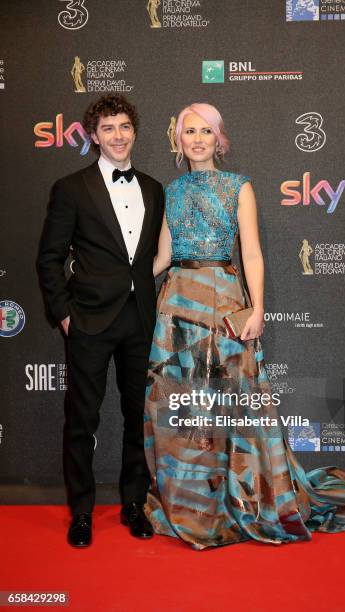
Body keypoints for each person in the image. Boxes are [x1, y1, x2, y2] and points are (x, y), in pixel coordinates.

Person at [144, 102, 345, 550]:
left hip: (224, 300)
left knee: (233, 405)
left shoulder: (240, 187)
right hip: (177, 308)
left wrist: (257, 309)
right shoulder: (170, 192)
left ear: (220, 138)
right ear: (177, 139)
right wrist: (113, 276)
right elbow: (160, 258)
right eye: (189, 132)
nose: (197, 139)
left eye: (206, 132)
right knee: (183, 408)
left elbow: (251, 254)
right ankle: (191, 500)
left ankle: (237, 499)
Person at [37, 94, 164, 547]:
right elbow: (50, 258)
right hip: (88, 320)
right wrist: (63, 314)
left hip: (140, 320)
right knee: (82, 419)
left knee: (137, 417)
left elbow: (150, 257)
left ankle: (134, 502)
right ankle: (83, 511)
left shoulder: (153, 187)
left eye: (125, 126)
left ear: (134, 131)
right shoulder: (71, 188)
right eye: (108, 128)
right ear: (93, 135)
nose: (117, 135)